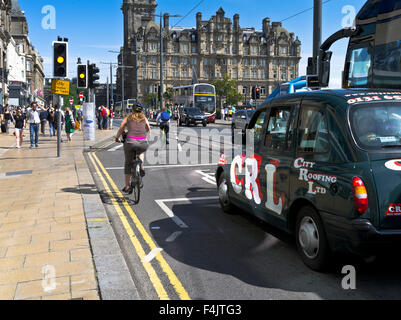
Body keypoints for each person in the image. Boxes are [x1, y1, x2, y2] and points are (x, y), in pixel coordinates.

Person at [115, 104, 151, 194]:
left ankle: (127, 186)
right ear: (141, 111)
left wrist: (117, 138)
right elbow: (148, 129)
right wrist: (143, 134)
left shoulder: (128, 117)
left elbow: (121, 128)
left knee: (128, 163)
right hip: (143, 142)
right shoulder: (144, 118)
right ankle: (141, 165)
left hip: (130, 142)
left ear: (132, 110)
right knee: (140, 151)